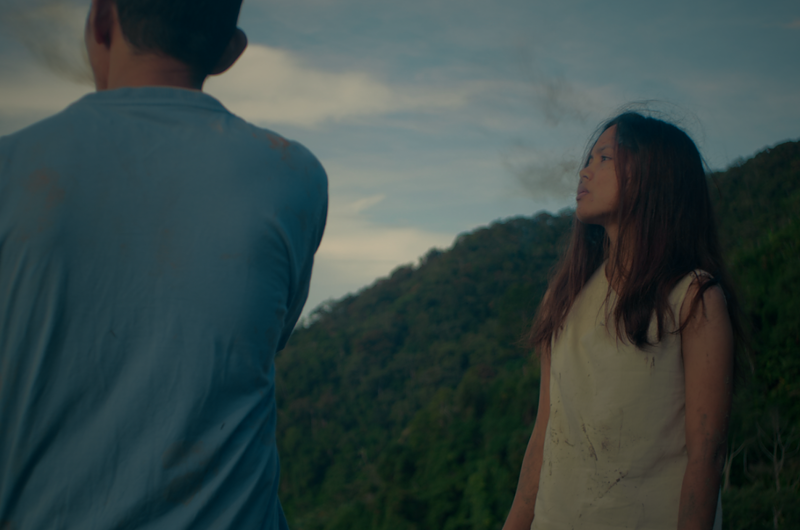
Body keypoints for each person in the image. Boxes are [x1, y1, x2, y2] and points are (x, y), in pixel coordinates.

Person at [0, 0, 327, 528]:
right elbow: (266, 335)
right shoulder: (294, 175)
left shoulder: (11, 168)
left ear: (100, 21)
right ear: (230, 52)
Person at [503, 112, 743, 530]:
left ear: (653, 176)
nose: (584, 171)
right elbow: (544, 435)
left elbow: (706, 457)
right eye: (588, 159)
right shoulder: (563, 298)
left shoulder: (693, 298)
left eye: (604, 158)